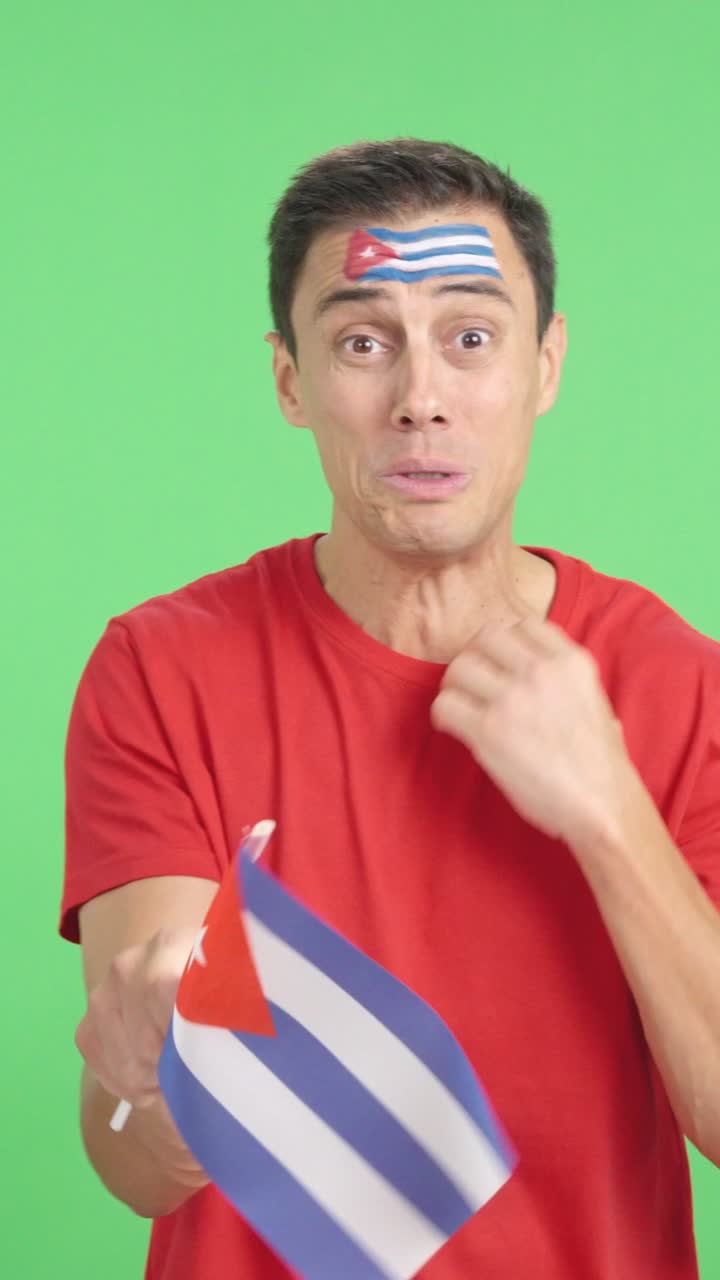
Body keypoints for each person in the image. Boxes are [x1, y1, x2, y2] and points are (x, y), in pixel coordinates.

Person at [61, 136, 720, 1280]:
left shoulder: (679, 682)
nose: (421, 399)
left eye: (471, 338)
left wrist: (607, 806)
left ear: (546, 364)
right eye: (363, 343)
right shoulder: (160, 668)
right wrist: (157, 1079)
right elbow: (133, 1161)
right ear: (290, 380)